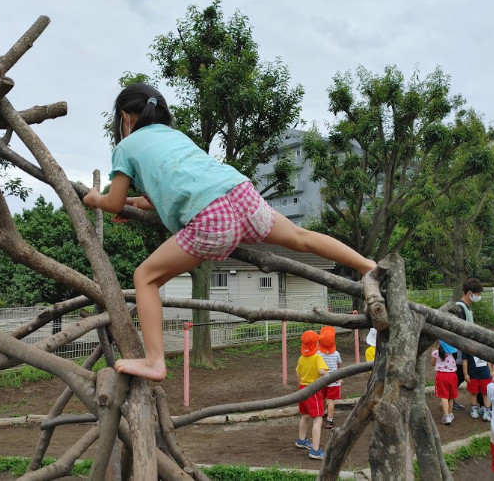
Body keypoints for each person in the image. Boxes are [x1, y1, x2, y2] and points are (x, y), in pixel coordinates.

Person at [82, 83, 377, 381]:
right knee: (301, 237)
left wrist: (96, 199)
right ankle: (367, 265)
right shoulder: (175, 137)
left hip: (211, 217)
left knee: (144, 278)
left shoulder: (125, 147)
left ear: (124, 117)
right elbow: (171, 191)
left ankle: (155, 361)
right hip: (241, 195)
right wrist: (135, 204)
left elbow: (113, 201)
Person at [295, 330, 329, 460]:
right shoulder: (317, 357)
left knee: (305, 415)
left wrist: (300, 389)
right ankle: (315, 450)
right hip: (313, 390)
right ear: (317, 344)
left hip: (303, 389)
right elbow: (321, 371)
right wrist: (332, 375)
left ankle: (301, 440)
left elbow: (298, 374)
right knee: (318, 419)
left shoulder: (301, 358)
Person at [453, 277, 484, 411]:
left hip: (467, 346)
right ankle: (483, 404)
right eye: (478, 294)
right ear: (470, 292)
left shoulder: (467, 307)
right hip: (462, 347)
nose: (479, 296)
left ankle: (449, 398)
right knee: (467, 373)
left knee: (461, 374)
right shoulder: (459, 307)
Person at [317, 326, 342, 429]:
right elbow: (339, 366)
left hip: (322, 380)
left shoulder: (318, 354)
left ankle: (323, 412)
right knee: (330, 400)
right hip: (334, 380)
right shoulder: (336, 354)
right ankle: (330, 420)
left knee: (322, 397)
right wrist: (339, 377)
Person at [431, 340, 459, 425]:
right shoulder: (453, 353)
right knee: (450, 396)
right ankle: (450, 414)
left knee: (444, 396)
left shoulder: (435, 353)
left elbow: (433, 363)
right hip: (453, 376)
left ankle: (446, 416)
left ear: (439, 344)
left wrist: (433, 352)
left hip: (441, 376)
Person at [462, 350, 493, 421]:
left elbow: (488, 359)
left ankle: (487, 412)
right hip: (472, 374)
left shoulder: (484, 346)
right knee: (473, 393)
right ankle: (474, 410)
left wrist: (491, 371)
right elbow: (464, 361)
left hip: (485, 374)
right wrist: (465, 374)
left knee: (486, 393)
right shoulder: (466, 347)